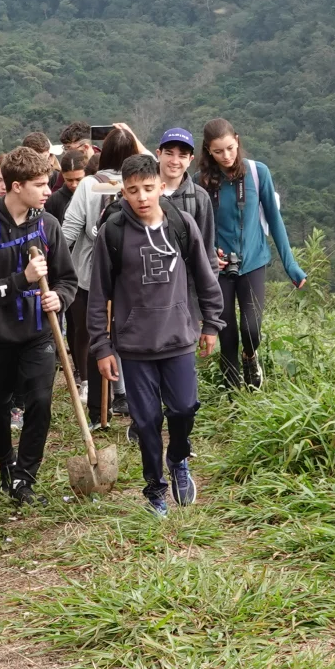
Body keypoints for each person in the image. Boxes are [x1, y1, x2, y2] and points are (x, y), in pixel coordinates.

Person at [90, 152, 223, 515]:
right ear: (124, 192)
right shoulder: (112, 233)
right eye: (133, 190)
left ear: (161, 187)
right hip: (134, 345)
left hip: (179, 337)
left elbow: (205, 275)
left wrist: (211, 322)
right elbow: (98, 294)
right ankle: (154, 491)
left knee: (184, 408)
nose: (142, 197)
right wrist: (101, 346)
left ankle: (178, 458)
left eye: (149, 188)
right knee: (146, 421)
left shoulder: (181, 224)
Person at [0, 145, 74, 504]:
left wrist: (60, 297)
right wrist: (22, 280)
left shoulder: (48, 225)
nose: (48, 191)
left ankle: (24, 478)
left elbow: (67, 280)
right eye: (40, 184)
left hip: (38, 334)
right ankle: (4, 459)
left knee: (40, 401)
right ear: (15, 186)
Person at [200, 119, 306, 390]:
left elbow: (274, 218)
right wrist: (209, 251)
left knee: (251, 329)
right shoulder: (201, 182)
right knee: (227, 336)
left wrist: (290, 265)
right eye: (218, 151)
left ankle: (250, 357)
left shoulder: (258, 173)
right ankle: (233, 402)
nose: (226, 156)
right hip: (219, 267)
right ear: (208, 151)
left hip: (254, 261)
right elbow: (196, 228)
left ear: (237, 140)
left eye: (231, 148)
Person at [59, 125, 141, 429]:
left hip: (89, 277)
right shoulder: (139, 184)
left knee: (98, 342)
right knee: (130, 342)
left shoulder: (89, 184)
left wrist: (60, 270)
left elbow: (69, 230)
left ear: (102, 153)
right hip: (130, 280)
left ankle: (98, 413)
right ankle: (131, 402)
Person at [155, 127, 210, 247]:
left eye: (182, 156)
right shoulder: (143, 193)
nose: (175, 161)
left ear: (190, 160)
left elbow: (206, 250)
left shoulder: (199, 197)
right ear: (159, 154)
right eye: (169, 153)